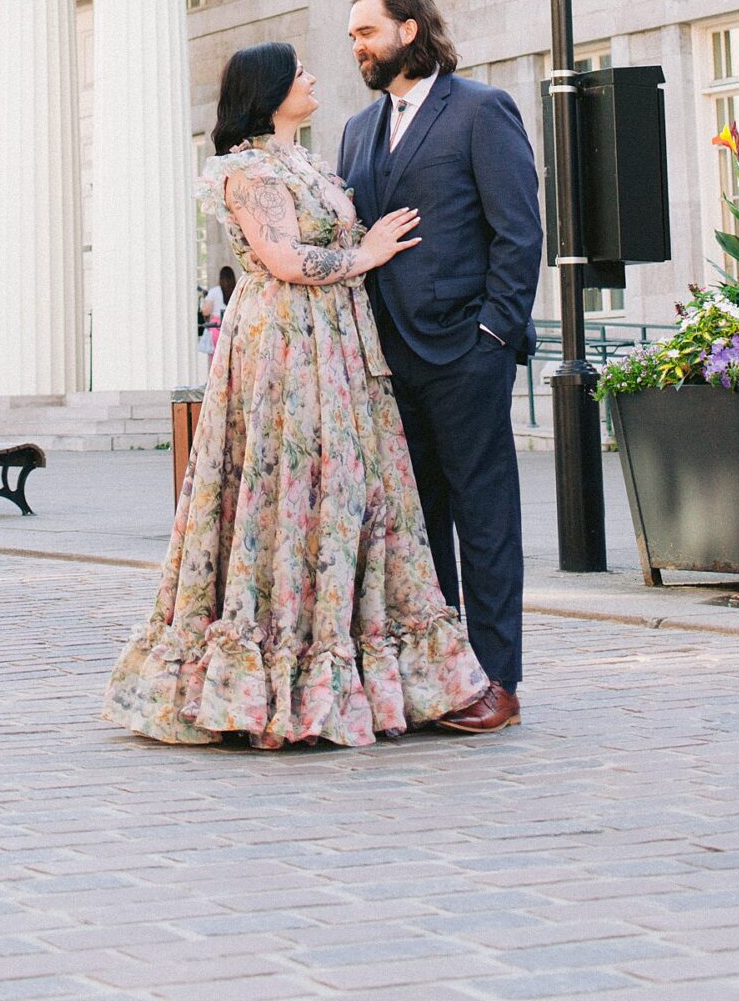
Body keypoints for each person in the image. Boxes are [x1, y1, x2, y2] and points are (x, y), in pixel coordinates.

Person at [103, 41, 491, 750]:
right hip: (283, 341)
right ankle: (277, 677)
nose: (313, 77)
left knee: (349, 490)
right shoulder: (245, 169)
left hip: (337, 344)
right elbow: (283, 259)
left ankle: (357, 670)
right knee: (290, 485)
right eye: (300, 71)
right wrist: (364, 255)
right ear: (270, 89)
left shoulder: (307, 162)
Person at [338, 0, 543, 738]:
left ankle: (497, 680)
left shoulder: (480, 111)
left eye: (366, 31)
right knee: (418, 531)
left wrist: (494, 336)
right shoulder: (357, 131)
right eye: (352, 35)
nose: (356, 45)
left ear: (410, 29)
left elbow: (518, 233)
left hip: (465, 352)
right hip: (387, 361)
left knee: (484, 521)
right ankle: (439, 676)